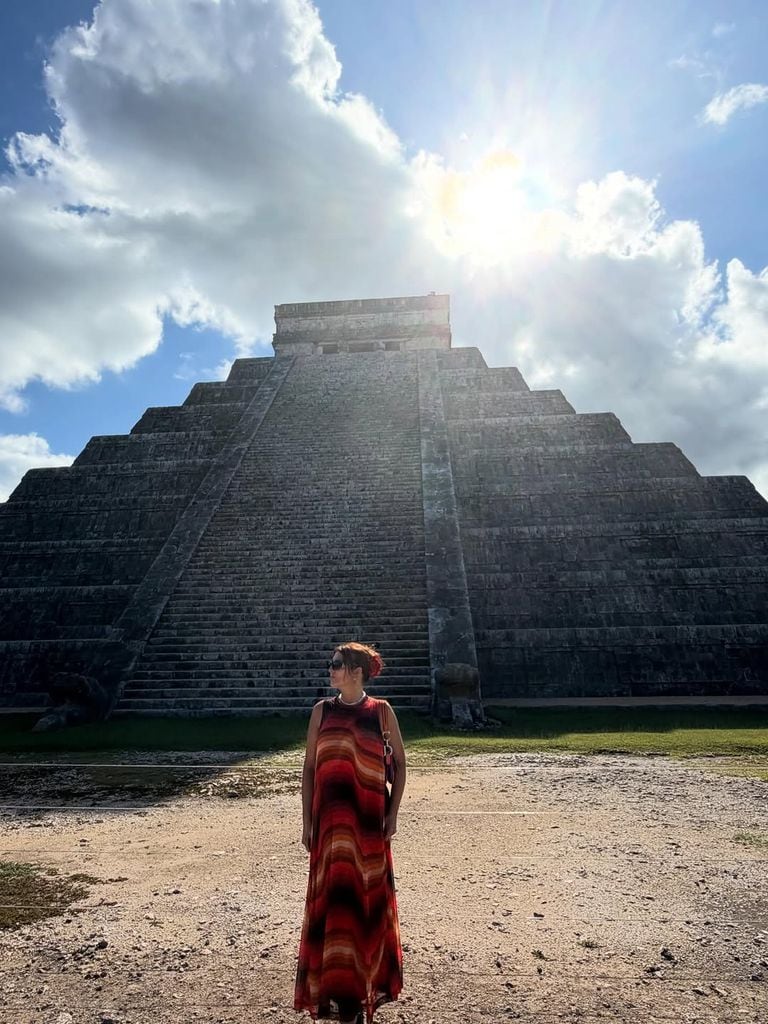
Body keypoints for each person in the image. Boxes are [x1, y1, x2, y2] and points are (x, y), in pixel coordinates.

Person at [294, 642, 406, 1024]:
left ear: (356, 671)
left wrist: (392, 815)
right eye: (332, 664)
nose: (331, 670)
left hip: (369, 826)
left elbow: (402, 767)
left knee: (365, 906)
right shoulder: (321, 712)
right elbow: (309, 768)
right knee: (334, 905)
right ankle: (340, 996)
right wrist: (307, 822)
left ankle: (362, 990)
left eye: (337, 665)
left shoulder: (382, 712)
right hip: (329, 826)